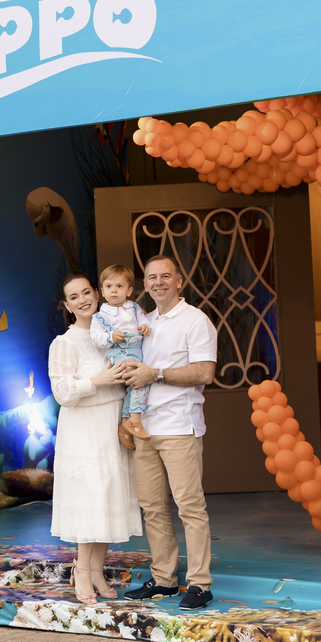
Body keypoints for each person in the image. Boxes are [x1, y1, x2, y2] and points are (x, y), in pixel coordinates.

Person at [121, 256, 219, 609]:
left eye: (166, 276)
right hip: (144, 427)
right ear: (145, 284)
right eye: (152, 277)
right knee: (152, 508)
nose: (158, 282)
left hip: (179, 426)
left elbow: (205, 372)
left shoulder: (196, 320)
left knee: (189, 507)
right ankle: (163, 580)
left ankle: (200, 585)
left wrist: (157, 374)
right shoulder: (143, 323)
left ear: (179, 281)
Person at [48, 272, 145, 604]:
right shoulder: (65, 342)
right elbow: (62, 393)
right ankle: (81, 570)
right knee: (90, 501)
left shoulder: (113, 334)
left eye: (86, 292)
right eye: (73, 297)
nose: (82, 300)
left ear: (97, 294)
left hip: (111, 425)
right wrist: (98, 380)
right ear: (67, 305)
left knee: (106, 501)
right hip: (83, 429)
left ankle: (97, 571)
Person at [89, 264, 153, 446]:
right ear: (102, 291)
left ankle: (125, 424)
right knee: (140, 380)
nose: (114, 291)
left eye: (119, 286)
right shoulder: (100, 316)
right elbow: (95, 338)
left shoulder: (134, 308)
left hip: (136, 352)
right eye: (109, 287)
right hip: (119, 354)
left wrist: (145, 326)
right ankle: (136, 420)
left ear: (129, 291)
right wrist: (111, 336)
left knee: (133, 387)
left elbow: (144, 319)